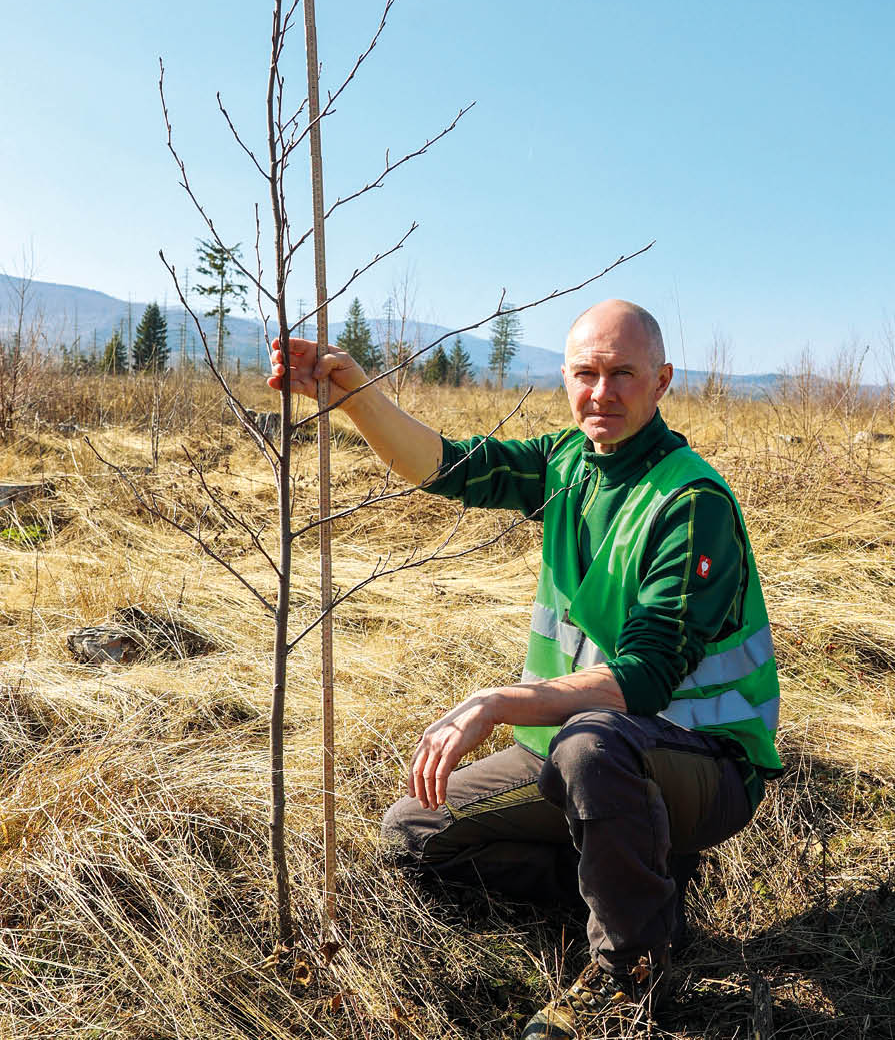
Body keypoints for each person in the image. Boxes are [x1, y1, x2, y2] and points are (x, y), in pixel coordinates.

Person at [268, 300, 781, 1036]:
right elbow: (444, 465)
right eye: (585, 373)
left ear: (662, 380)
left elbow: (644, 678)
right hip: (592, 758)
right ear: (566, 378)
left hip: (705, 767)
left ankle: (626, 975)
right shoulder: (566, 464)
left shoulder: (690, 503)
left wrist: (499, 700)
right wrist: (355, 396)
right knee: (412, 833)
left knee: (590, 743)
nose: (600, 393)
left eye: (622, 374)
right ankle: (643, 892)